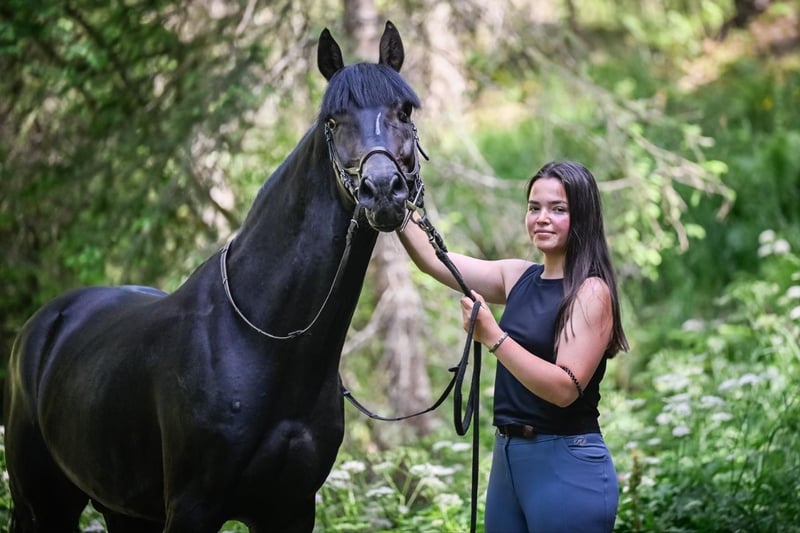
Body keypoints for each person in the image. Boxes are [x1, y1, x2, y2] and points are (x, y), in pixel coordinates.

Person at [398, 160, 628, 532]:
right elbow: (432, 260)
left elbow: (565, 388)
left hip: (566, 465)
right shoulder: (517, 276)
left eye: (558, 209)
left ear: (582, 216)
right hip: (508, 461)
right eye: (534, 207)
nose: (542, 218)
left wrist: (493, 336)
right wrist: (394, 196)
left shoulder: (591, 291)